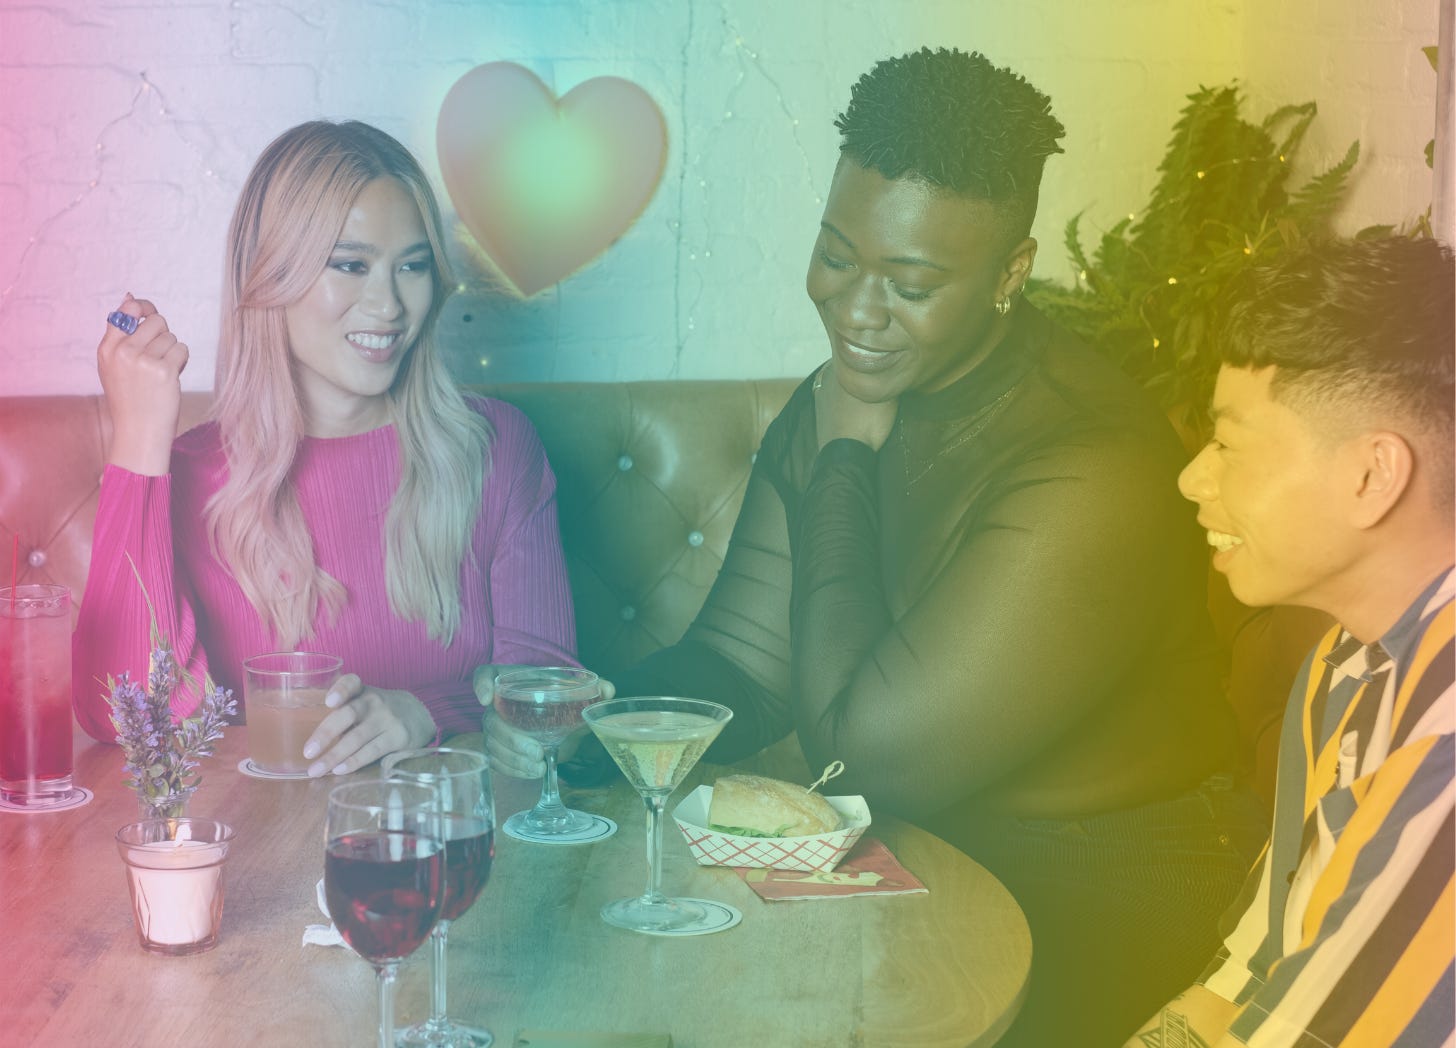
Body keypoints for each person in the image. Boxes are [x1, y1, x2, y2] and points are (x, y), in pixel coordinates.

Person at [485, 48, 1267, 1047]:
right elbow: (742, 664)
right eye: (837, 255)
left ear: (1009, 275)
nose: (856, 310)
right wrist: (593, 733)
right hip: (910, 858)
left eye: (910, 282)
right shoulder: (841, 396)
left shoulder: (1091, 464)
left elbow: (866, 752)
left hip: (1097, 890)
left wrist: (846, 454)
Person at [74, 120, 577, 777]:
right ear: (270, 278)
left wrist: (425, 713)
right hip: (259, 860)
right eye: (351, 265)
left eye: (413, 266)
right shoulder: (192, 475)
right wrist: (139, 433)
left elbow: (553, 705)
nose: (390, 303)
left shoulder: (497, 447)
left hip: (453, 851)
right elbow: (124, 715)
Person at [1124, 236, 1455, 1048]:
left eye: (1230, 444)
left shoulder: (1446, 731)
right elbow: (1243, 991)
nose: (1192, 478)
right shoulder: (1345, 665)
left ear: (1372, 476)